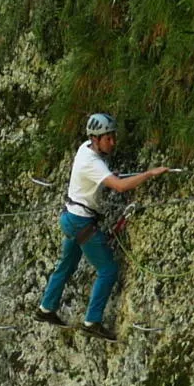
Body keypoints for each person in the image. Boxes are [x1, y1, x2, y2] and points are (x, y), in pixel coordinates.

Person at [36, 113, 171, 340]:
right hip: (81, 223)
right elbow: (119, 187)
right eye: (108, 138)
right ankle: (92, 321)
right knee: (108, 270)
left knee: (66, 265)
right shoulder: (92, 161)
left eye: (113, 137)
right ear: (96, 139)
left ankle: (46, 309)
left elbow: (101, 176)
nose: (113, 142)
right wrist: (149, 173)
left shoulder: (85, 148)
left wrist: (107, 176)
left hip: (71, 218)